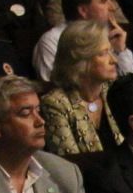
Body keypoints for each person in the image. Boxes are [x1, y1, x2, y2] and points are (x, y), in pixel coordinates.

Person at [40, 20, 122, 155]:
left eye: (111, 51)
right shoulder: (55, 103)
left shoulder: (116, 92)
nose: (114, 60)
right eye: (103, 53)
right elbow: (69, 161)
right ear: (81, 60)